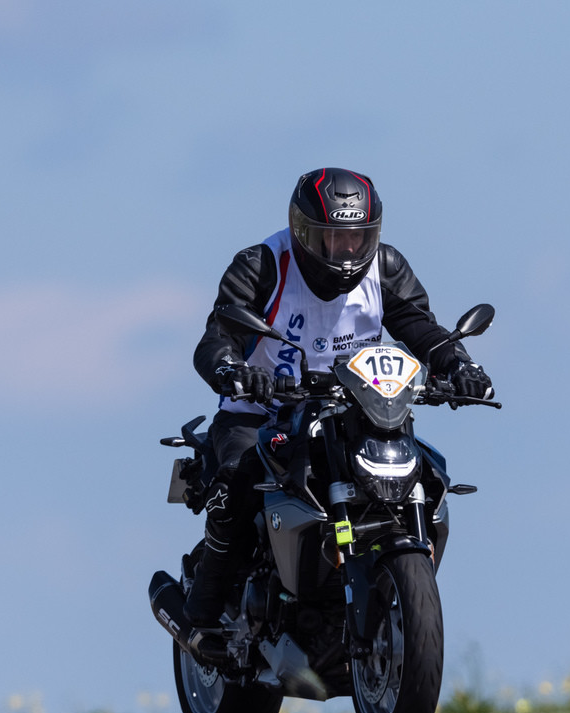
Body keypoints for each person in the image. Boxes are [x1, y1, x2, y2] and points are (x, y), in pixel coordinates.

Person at [182, 167, 494, 626]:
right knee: (236, 483)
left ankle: (391, 589)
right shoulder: (262, 265)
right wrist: (233, 370)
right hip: (262, 410)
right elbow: (219, 336)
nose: (348, 251)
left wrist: (460, 366)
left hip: (360, 410)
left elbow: (420, 326)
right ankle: (202, 618)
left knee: (428, 474)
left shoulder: (385, 266)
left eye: (357, 238)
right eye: (334, 238)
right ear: (302, 232)